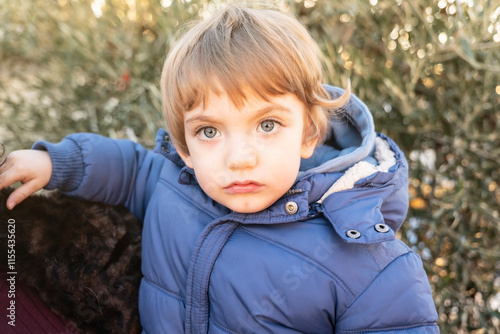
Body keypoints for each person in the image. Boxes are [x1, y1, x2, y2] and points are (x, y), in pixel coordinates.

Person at [0, 3, 439, 333]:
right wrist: (58, 162)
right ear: (184, 147)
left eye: (267, 124)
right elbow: (131, 168)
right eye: (209, 131)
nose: (238, 157)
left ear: (309, 133)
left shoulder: (366, 264)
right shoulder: (176, 185)